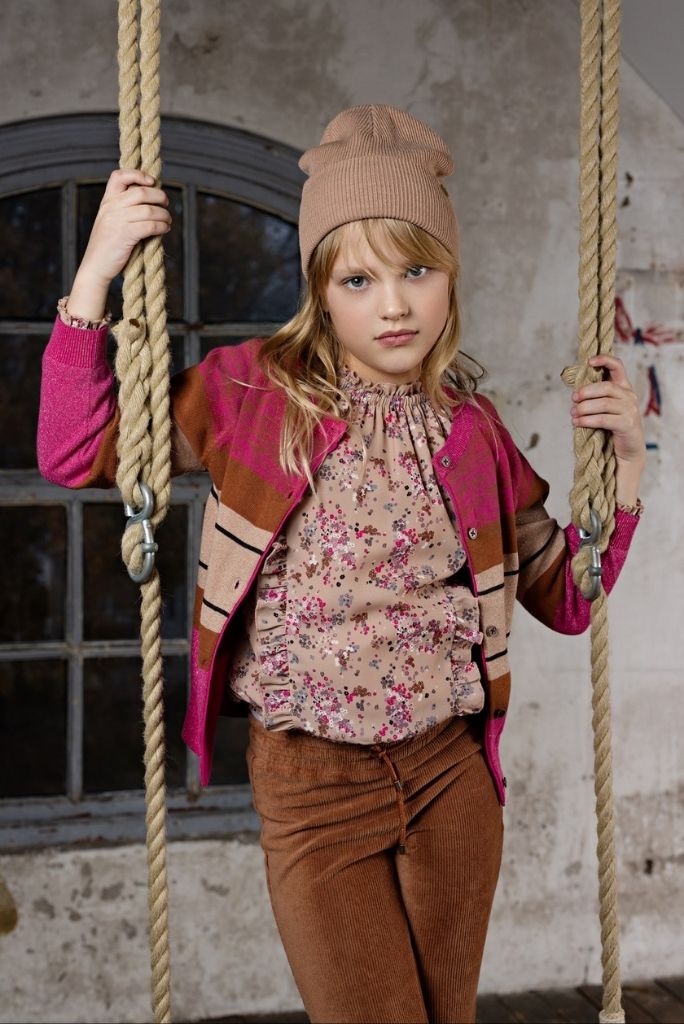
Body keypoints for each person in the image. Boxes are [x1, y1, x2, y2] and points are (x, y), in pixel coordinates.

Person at [37, 104, 646, 1024]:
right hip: (313, 786)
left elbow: (566, 597)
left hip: (450, 780)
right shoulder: (252, 394)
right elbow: (72, 451)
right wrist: (95, 278)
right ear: (321, 287)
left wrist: (627, 471)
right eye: (358, 278)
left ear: (450, 279)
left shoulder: (472, 432)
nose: (393, 304)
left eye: (416, 269)